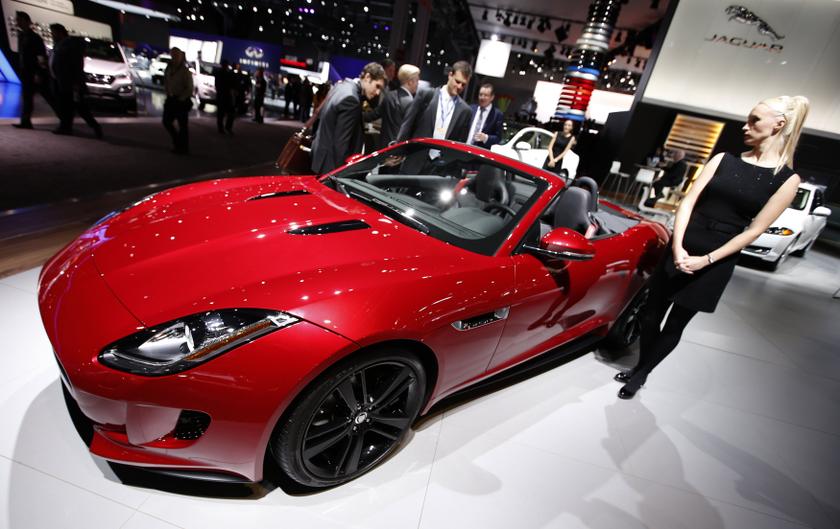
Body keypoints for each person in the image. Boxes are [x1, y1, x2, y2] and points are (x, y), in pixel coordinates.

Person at [614, 95, 808, 399]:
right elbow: (688, 201)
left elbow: (755, 230)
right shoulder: (723, 159)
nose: (746, 126)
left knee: (676, 324)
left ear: (778, 125)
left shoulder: (787, 179)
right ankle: (642, 365)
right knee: (650, 315)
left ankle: (640, 374)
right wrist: (677, 246)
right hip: (684, 243)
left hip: (716, 259)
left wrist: (706, 260)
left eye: (754, 120)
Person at [310, 62, 387, 174]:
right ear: (368, 77)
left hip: (321, 158)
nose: (378, 92)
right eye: (377, 86)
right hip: (330, 166)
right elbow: (341, 144)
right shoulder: (352, 99)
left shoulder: (342, 86)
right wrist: (343, 175)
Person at [396, 60, 473, 143]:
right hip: (418, 152)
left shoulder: (465, 111)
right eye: (457, 81)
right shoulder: (426, 95)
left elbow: (461, 142)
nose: (459, 86)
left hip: (444, 155)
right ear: (450, 75)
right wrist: (399, 148)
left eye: (463, 84)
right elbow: (408, 123)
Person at [49, 24, 102, 137]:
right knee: (66, 106)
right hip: (61, 81)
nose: (52, 35)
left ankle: (95, 126)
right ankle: (65, 127)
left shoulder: (70, 46)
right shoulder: (59, 45)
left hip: (70, 82)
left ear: (60, 33)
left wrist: (76, 83)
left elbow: (76, 66)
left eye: (53, 32)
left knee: (79, 107)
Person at [13, 11, 56, 129]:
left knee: (48, 96)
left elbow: (41, 56)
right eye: (17, 20)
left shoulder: (35, 37)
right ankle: (25, 122)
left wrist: (39, 73)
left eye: (19, 20)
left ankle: (65, 120)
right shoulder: (21, 36)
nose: (17, 22)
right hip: (25, 72)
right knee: (27, 97)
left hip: (35, 72)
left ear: (27, 21)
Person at [162, 47, 193, 154]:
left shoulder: (185, 71)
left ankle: (183, 148)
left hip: (181, 100)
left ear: (181, 57)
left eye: (177, 56)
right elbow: (166, 80)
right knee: (166, 122)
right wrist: (167, 93)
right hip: (171, 99)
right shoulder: (169, 68)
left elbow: (189, 88)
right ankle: (178, 142)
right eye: (173, 55)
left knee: (183, 126)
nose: (174, 58)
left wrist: (181, 98)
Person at [467, 83, 504, 149]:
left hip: (480, 152)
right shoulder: (471, 109)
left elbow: (498, 138)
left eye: (486, 95)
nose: (482, 97)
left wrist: (486, 138)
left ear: (492, 97)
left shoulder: (497, 114)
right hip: (463, 148)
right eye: (480, 94)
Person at [214, 60, 236, 134]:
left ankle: (222, 128)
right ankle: (227, 128)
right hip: (226, 95)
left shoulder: (219, 73)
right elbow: (231, 84)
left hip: (221, 95)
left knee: (221, 113)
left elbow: (217, 85)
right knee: (230, 113)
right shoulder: (227, 73)